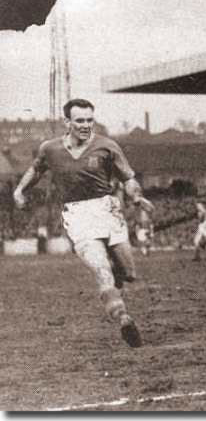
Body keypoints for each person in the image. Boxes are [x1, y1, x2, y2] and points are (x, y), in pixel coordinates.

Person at [12, 98, 154, 348]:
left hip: (108, 210)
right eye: (79, 120)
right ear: (67, 122)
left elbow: (128, 178)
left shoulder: (107, 146)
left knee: (129, 273)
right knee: (101, 269)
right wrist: (20, 190)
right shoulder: (50, 149)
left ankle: (117, 277)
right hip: (78, 216)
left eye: (90, 120)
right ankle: (124, 320)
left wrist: (137, 196)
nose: (86, 125)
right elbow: (36, 169)